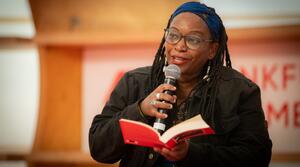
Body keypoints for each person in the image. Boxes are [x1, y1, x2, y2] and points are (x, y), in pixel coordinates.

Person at [89, 1, 272, 167]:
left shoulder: (240, 91)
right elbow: (99, 148)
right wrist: (140, 110)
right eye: (173, 35)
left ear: (212, 50)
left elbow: (257, 158)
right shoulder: (134, 82)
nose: (179, 46)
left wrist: (191, 154)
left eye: (192, 39)